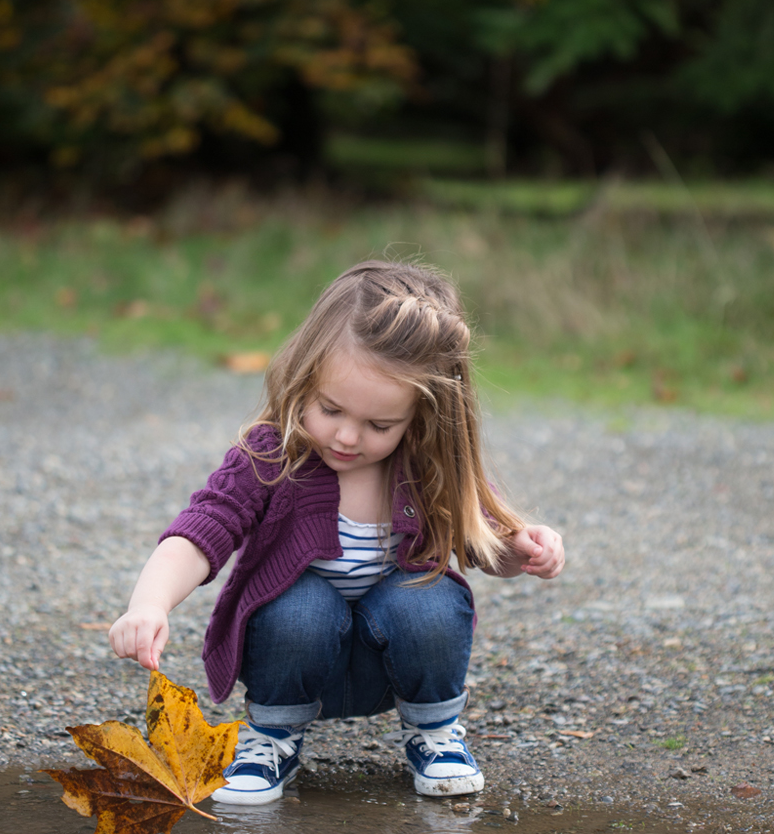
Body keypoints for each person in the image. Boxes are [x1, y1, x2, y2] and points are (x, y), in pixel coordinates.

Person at [109, 260, 564, 804]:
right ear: (304, 377)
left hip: (390, 664)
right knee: (299, 604)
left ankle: (434, 732)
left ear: (421, 416)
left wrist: (521, 549)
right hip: (294, 656)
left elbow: (482, 542)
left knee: (430, 599)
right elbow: (204, 529)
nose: (348, 437)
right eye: (330, 409)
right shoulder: (272, 453)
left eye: (380, 426)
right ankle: (273, 735)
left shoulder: (428, 464)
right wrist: (149, 604)